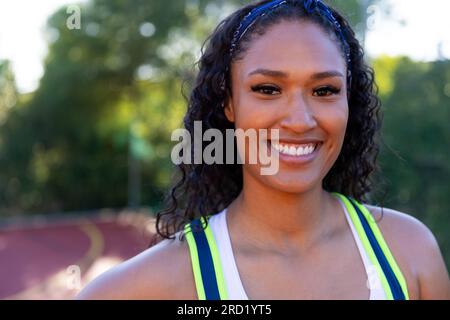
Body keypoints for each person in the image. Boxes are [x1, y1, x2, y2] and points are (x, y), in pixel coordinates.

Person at [77, 0, 450, 300]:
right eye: (268, 89)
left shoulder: (410, 252)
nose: (300, 120)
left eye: (324, 91)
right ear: (229, 104)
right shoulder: (155, 285)